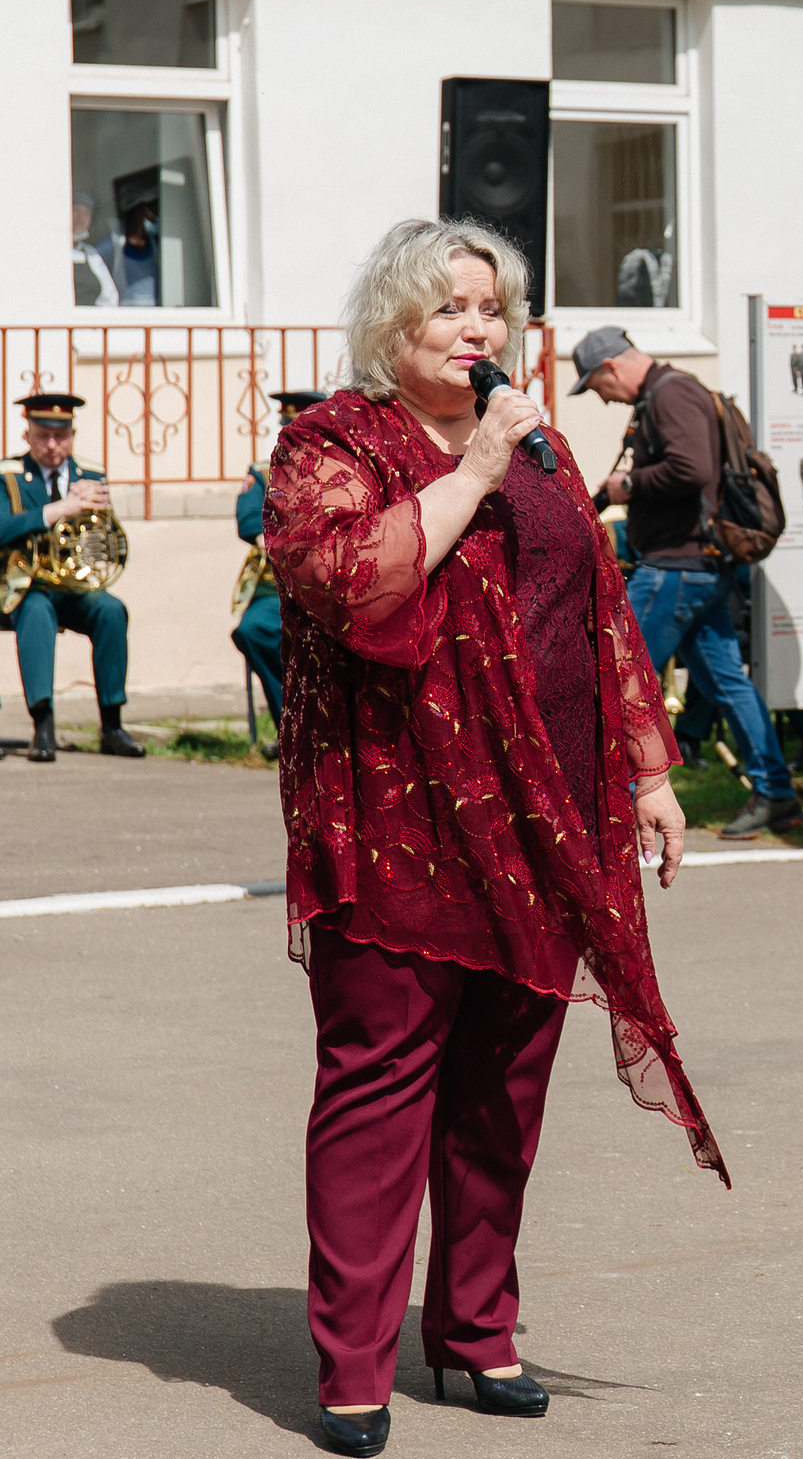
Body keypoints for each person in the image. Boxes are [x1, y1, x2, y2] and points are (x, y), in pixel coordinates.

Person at [261, 218, 722, 1459]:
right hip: (401, 817)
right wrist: (469, 473)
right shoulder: (332, 444)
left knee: (505, 1087)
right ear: (393, 323)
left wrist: (646, 769)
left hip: (549, 806)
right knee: (378, 1088)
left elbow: (599, 605)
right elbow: (350, 580)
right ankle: (354, 1366)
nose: (477, 330)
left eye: (492, 309)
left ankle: (475, 1332)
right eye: (449, 308)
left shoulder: (539, 445)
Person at [575, 323, 803, 840]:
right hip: (697, 566)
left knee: (616, 678)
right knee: (728, 685)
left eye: (597, 386)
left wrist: (628, 484)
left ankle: (610, 805)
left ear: (611, 367)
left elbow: (692, 469)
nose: (604, 399)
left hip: (676, 568)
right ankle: (776, 793)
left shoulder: (670, 395)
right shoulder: (673, 390)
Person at [0, 391, 143, 762]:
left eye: (60, 436)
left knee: (112, 611)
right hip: (24, 587)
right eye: (43, 436)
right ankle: (43, 725)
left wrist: (98, 507)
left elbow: (104, 538)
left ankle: (112, 725)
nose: (52, 445)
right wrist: (57, 510)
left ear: (72, 435)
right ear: (27, 435)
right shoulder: (8, 475)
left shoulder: (90, 474)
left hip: (74, 587)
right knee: (36, 613)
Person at [234, 388, 329, 751]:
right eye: (290, 428)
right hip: (277, 585)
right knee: (253, 630)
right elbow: (248, 521)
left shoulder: (339, 471)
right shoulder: (263, 472)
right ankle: (290, 727)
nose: (296, 437)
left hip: (327, 585)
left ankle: (324, 731)